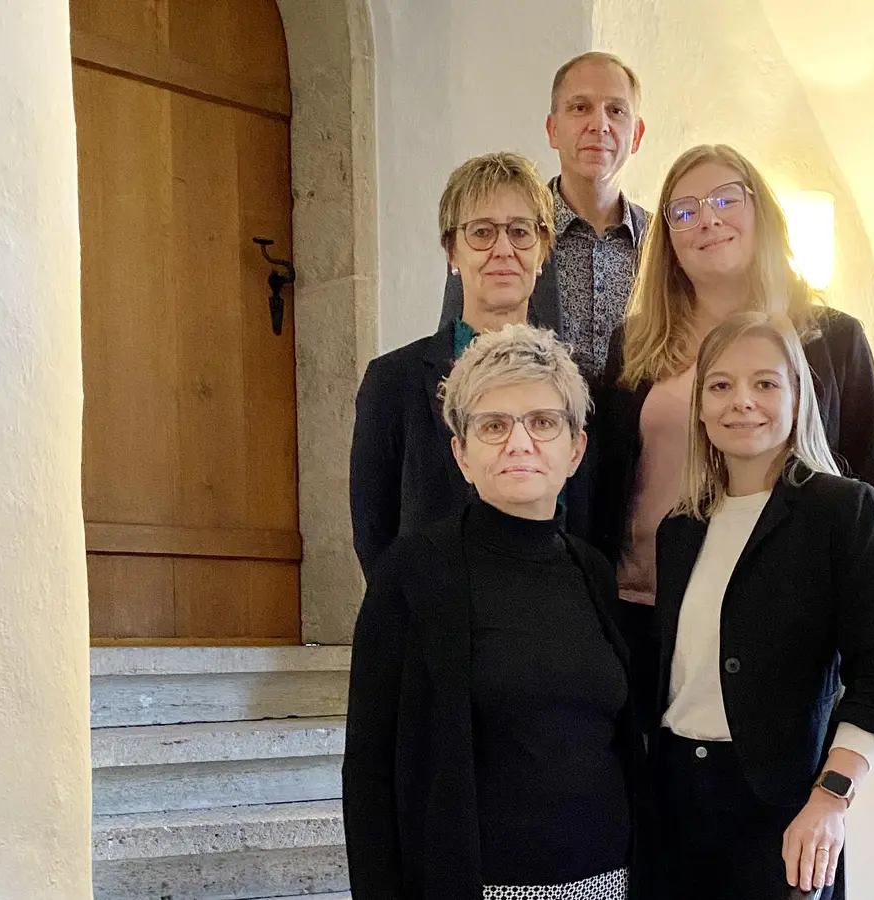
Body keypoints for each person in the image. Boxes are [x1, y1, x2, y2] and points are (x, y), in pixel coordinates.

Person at [342, 324, 638, 900]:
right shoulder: (413, 573)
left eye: (543, 422)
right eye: (494, 425)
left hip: (609, 882)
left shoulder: (594, 572)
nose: (519, 443)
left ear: (575, 450)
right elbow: (370, 774)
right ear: (461, 453)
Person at [644, 311, 874, 899]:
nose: (743, 401)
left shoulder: (844, 512)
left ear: (798, 396)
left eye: (765, 383)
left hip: (785, 810)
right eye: (721, 385)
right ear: (701, 406)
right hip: (672, 804)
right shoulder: (679, 528)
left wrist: (830, 797)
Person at [589, 143, 874, 644]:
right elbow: (606, 481)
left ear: (762, 212)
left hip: (784, 609)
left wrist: (857, 602)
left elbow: (867, 484)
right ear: (668, 239)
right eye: (684, 213)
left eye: (726, 200)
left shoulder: (831, 339)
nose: (707, 221)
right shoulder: (636, 343)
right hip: (645, 602)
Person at [350, 151, 593, 579]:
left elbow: (589, 529)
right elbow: (375, 537)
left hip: (547, 620)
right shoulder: (393, 382)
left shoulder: (579, 386)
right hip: (433, 628)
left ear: (543, 250)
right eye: (481, 232)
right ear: (451, 250)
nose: (503, 250)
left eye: (520, 232)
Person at [439, 51, 649, 379]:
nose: (600, 125)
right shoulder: (504, 233)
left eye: (616, 110)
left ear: (636, 135)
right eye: (580, 108)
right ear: (553, 129)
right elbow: (455, 351)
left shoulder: (664, 241)